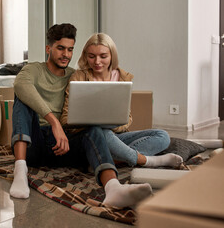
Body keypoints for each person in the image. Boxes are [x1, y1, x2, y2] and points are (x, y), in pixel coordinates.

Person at [10, 24, 152, 208]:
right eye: (60, 48)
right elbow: (21, 85)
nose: (66, 54)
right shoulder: (33, 69)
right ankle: (20, 171)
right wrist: (54, 122)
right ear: (48, 48)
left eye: (70, 50)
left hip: (63, 145)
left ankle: (113, 189)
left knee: (93, 128)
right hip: (34, 143)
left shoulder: (76, 76)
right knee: (22, 99)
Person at [60, 33, 183, 168]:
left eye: (103, 56)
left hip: (117, 136)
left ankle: (116, 158)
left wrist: (111, 124)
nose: (97, 62)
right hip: (92, 137)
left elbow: (127, 118)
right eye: (91, 56)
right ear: (85, 56)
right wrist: (95, 124)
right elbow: (65, 119)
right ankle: (145, 160)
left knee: (162, 135)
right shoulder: (78, 77)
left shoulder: (122, 77)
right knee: (101, 132)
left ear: (112, 55)